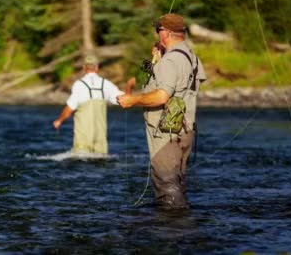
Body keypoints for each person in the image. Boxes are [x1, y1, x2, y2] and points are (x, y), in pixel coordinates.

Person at [117, 13, 207, 209]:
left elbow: (161, 96)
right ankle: (182, 230)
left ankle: (172, 232)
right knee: (177, 184)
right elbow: (179, 86)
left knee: (167, 187)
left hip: (166, 134)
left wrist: (132, 100)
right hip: (186, 131)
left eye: (158, 31)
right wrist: (156, 63)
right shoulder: (191, 57)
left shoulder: (170, 61)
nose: (157, 36)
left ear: (165, 33)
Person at [53, 54, 135, 154]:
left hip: (83, 138)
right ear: (97, 67)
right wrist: (129, 86)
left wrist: (59, 120)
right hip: (100, 139)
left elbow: (70, 108)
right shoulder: (106, 84)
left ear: (84, 67)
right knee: (100, 160)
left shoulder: (79, 84)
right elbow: (126, 100)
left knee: (81, 159)